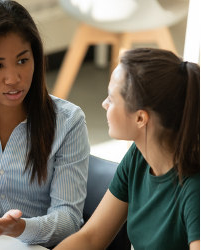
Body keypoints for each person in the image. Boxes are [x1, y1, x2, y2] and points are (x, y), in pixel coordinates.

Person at [0, 0, 90, 247]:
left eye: (23, 61)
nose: (14, 78)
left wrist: (19, 228)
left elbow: (69, 221)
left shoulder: (68, 122)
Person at [54, 48, 200, 250]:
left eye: (112, 99)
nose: (104, 104)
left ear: (140, 118)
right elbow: (91, 237)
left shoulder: (194, 190)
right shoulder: (138, 157)